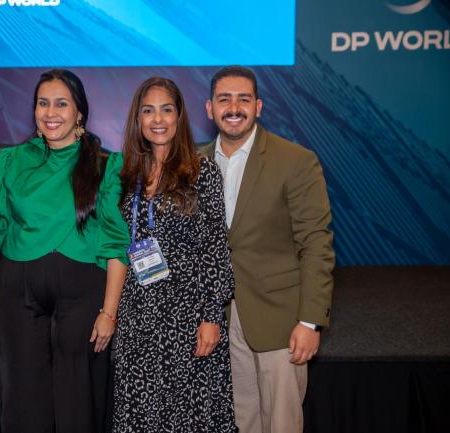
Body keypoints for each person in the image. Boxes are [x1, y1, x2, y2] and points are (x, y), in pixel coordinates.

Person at [0, 69, 130, 433]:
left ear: (79, 112)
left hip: (83, 295)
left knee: (78, 395)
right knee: (22, 394)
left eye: (61, 104)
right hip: (15, 292)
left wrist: (109, 312)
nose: (50, 112)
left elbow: (116, 243)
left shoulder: (105, 164)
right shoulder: (10, 160)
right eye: (43, 103)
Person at [200, 66, 335, 433]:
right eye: (224, 99)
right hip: (221, 319)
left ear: (258, 107)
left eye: (243, 99)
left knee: (281, 422)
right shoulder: (193, 163)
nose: (234, 108)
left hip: (279, 319)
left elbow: (316, 244)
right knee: (242, 420)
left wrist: (310, 321)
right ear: (210, 108)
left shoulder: (295, 161)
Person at [113, 77, 237, 433]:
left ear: (179, 116)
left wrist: (212, 315)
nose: (158, 119)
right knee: (141, 412)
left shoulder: (202, 171)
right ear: (138, 118)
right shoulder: (127, 174)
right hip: (138, 316)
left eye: (166, 110)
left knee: (189, 416)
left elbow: (215, 247)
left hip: (188, 316)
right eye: (148, 110)